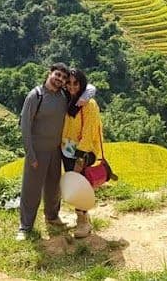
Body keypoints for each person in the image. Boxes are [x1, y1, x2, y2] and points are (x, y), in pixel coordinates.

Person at [16, 62, 95, 241]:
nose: (60, 79)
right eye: (57, 75)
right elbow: (25, 126)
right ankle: (25, 226)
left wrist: (87, 95)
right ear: (50, 73)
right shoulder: (35, 95)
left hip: (56, 151)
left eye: (63, 78)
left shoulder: (63, 96)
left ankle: (52, 217)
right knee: (31, 189)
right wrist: (30, 153)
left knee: (53, 188)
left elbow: (86, 87)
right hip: (37, 150)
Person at [61, 67, 109, 238]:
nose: (72, 86)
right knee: (75, 186)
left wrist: (80, 158)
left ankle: (83, 223)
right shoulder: (67, 100)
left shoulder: (89, 104)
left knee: (81, 185)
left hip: (83, 151)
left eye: (76, 83)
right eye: (69, 83)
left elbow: (89, 131)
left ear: (82, 83)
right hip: (67, 150)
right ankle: (81, 218)